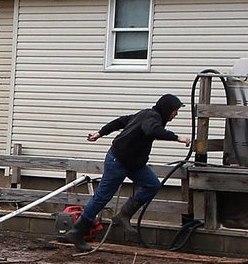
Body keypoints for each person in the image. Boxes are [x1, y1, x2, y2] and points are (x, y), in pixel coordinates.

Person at [70, 93, 185, 252]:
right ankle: (77, 231)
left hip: (134, 163)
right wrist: (177, 137)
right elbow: (152, 130)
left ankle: (123, 215)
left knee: (152, 185)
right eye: (175, 111)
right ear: (166, 109)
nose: (176, 114)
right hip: (118, 160)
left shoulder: (145, 115)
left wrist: (100, 133)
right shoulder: (152, 118)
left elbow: (121, 121)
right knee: (103, 196)